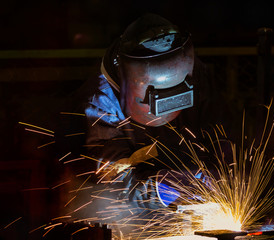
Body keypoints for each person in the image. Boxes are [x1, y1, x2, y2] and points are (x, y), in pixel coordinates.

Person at [57, 13, 229, 213]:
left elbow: (222, 129)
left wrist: (223, 172)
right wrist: (160, 189)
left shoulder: (186, 68)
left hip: (187, 195)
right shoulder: (101, 103)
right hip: (130, 209)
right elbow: (112, 177)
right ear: (132, 85)